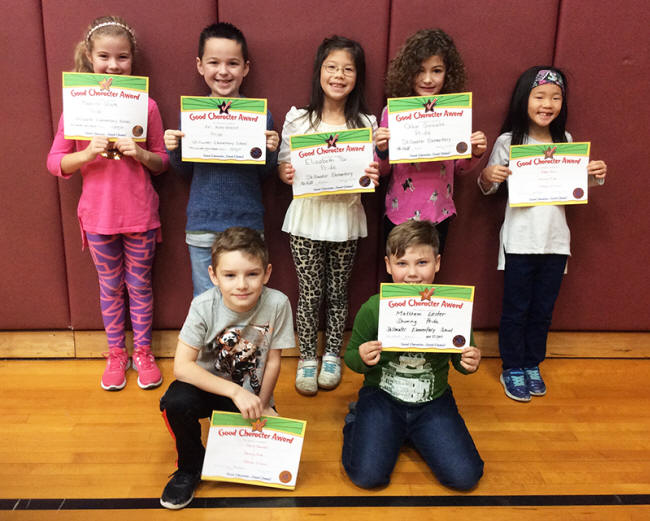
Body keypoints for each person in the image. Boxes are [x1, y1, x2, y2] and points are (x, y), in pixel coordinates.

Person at [46, 16, 168, 391]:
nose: (113, 65)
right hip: (98, 218)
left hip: (140, 214)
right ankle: (116, 353)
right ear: (89, 56)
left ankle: (143, 352)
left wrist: (141, 154)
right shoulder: (77, 109)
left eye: (123, 57)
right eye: (104, 56)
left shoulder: (145, 106)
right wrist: (86, 155)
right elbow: (54, 162)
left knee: (140, 285)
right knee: (110, 287)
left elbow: (163, 161)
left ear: (133, 61)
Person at [478, 66, 608, 402]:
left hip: (556, 242)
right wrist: (490, 175)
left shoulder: (566, 142)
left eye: (555, 97)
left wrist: (594, 173)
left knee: (543, 310)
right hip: (520, 241)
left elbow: (576, 187)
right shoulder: (509, 142)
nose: (547, 104)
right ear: (525, 99)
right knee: (516, 308)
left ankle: (533, 363)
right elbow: (486, 188)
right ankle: (512, 366)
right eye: (539, 96)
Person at [159, 227, 295, 509]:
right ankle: (189, 468)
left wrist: (263, 402)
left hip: (251, 397)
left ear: (267, 273)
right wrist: (235, 392)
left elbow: (272, 359)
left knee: (264, 471)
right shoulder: (203, 306)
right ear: (213, 276)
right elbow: (182, 367)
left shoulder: (278, 303)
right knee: (175, 401)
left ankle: (234, 434)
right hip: (211, 388)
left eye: (252, 274)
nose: (241, 285)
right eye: (230, 275)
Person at [342, 219, 483, 490]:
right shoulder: (374, 307)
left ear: (437, 262)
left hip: (434, 401)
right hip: (382, 397)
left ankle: (411, 433)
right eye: (402, 263)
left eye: (422, 263)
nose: (412, 274)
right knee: (367, 477)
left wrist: (469, 361)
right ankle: (357, 419)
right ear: (388, 265)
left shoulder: (452, 307)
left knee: (465, 477)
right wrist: (361, 356)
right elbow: (351, 358)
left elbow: (460, 359)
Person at [278, 36, 380, 395]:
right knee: (309, 294)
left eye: (348, 69)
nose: (339, 75)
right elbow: (283, 164)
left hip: (345, 217)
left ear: (357, 76)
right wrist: (285, 173)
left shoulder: (366, 122)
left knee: (338, 292)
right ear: (320, 72)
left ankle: (332, 354)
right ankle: (308, 358)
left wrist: (372, 173)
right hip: (306, 218)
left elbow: (369, 171)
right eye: (331, 67)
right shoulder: (299, 119)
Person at [164, 22, 279, 297]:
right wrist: (174, 150)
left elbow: (264, 174)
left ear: (246, 68)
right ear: (200, 65)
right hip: (203, 222)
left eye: (233, 63)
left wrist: (271, 151)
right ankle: (211, 344)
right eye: (214, 62)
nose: (223, 71)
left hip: (247, 222)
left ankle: (245, 344)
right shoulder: (191, 115)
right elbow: (184, 170)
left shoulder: (260, 117)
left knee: (247, 297)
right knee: (206, 299)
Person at [374, 29, 487, 253]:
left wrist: (474, 152)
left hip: (439, 212)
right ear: (408, 73)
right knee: (400, 278)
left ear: (448, 74)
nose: (427, 79)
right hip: (400, 213)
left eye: (436, 71)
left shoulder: (454, 114)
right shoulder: (392, 113)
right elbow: (383, 170)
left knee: (429, 276)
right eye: (420, 71)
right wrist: (382, 149)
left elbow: (460, 168)